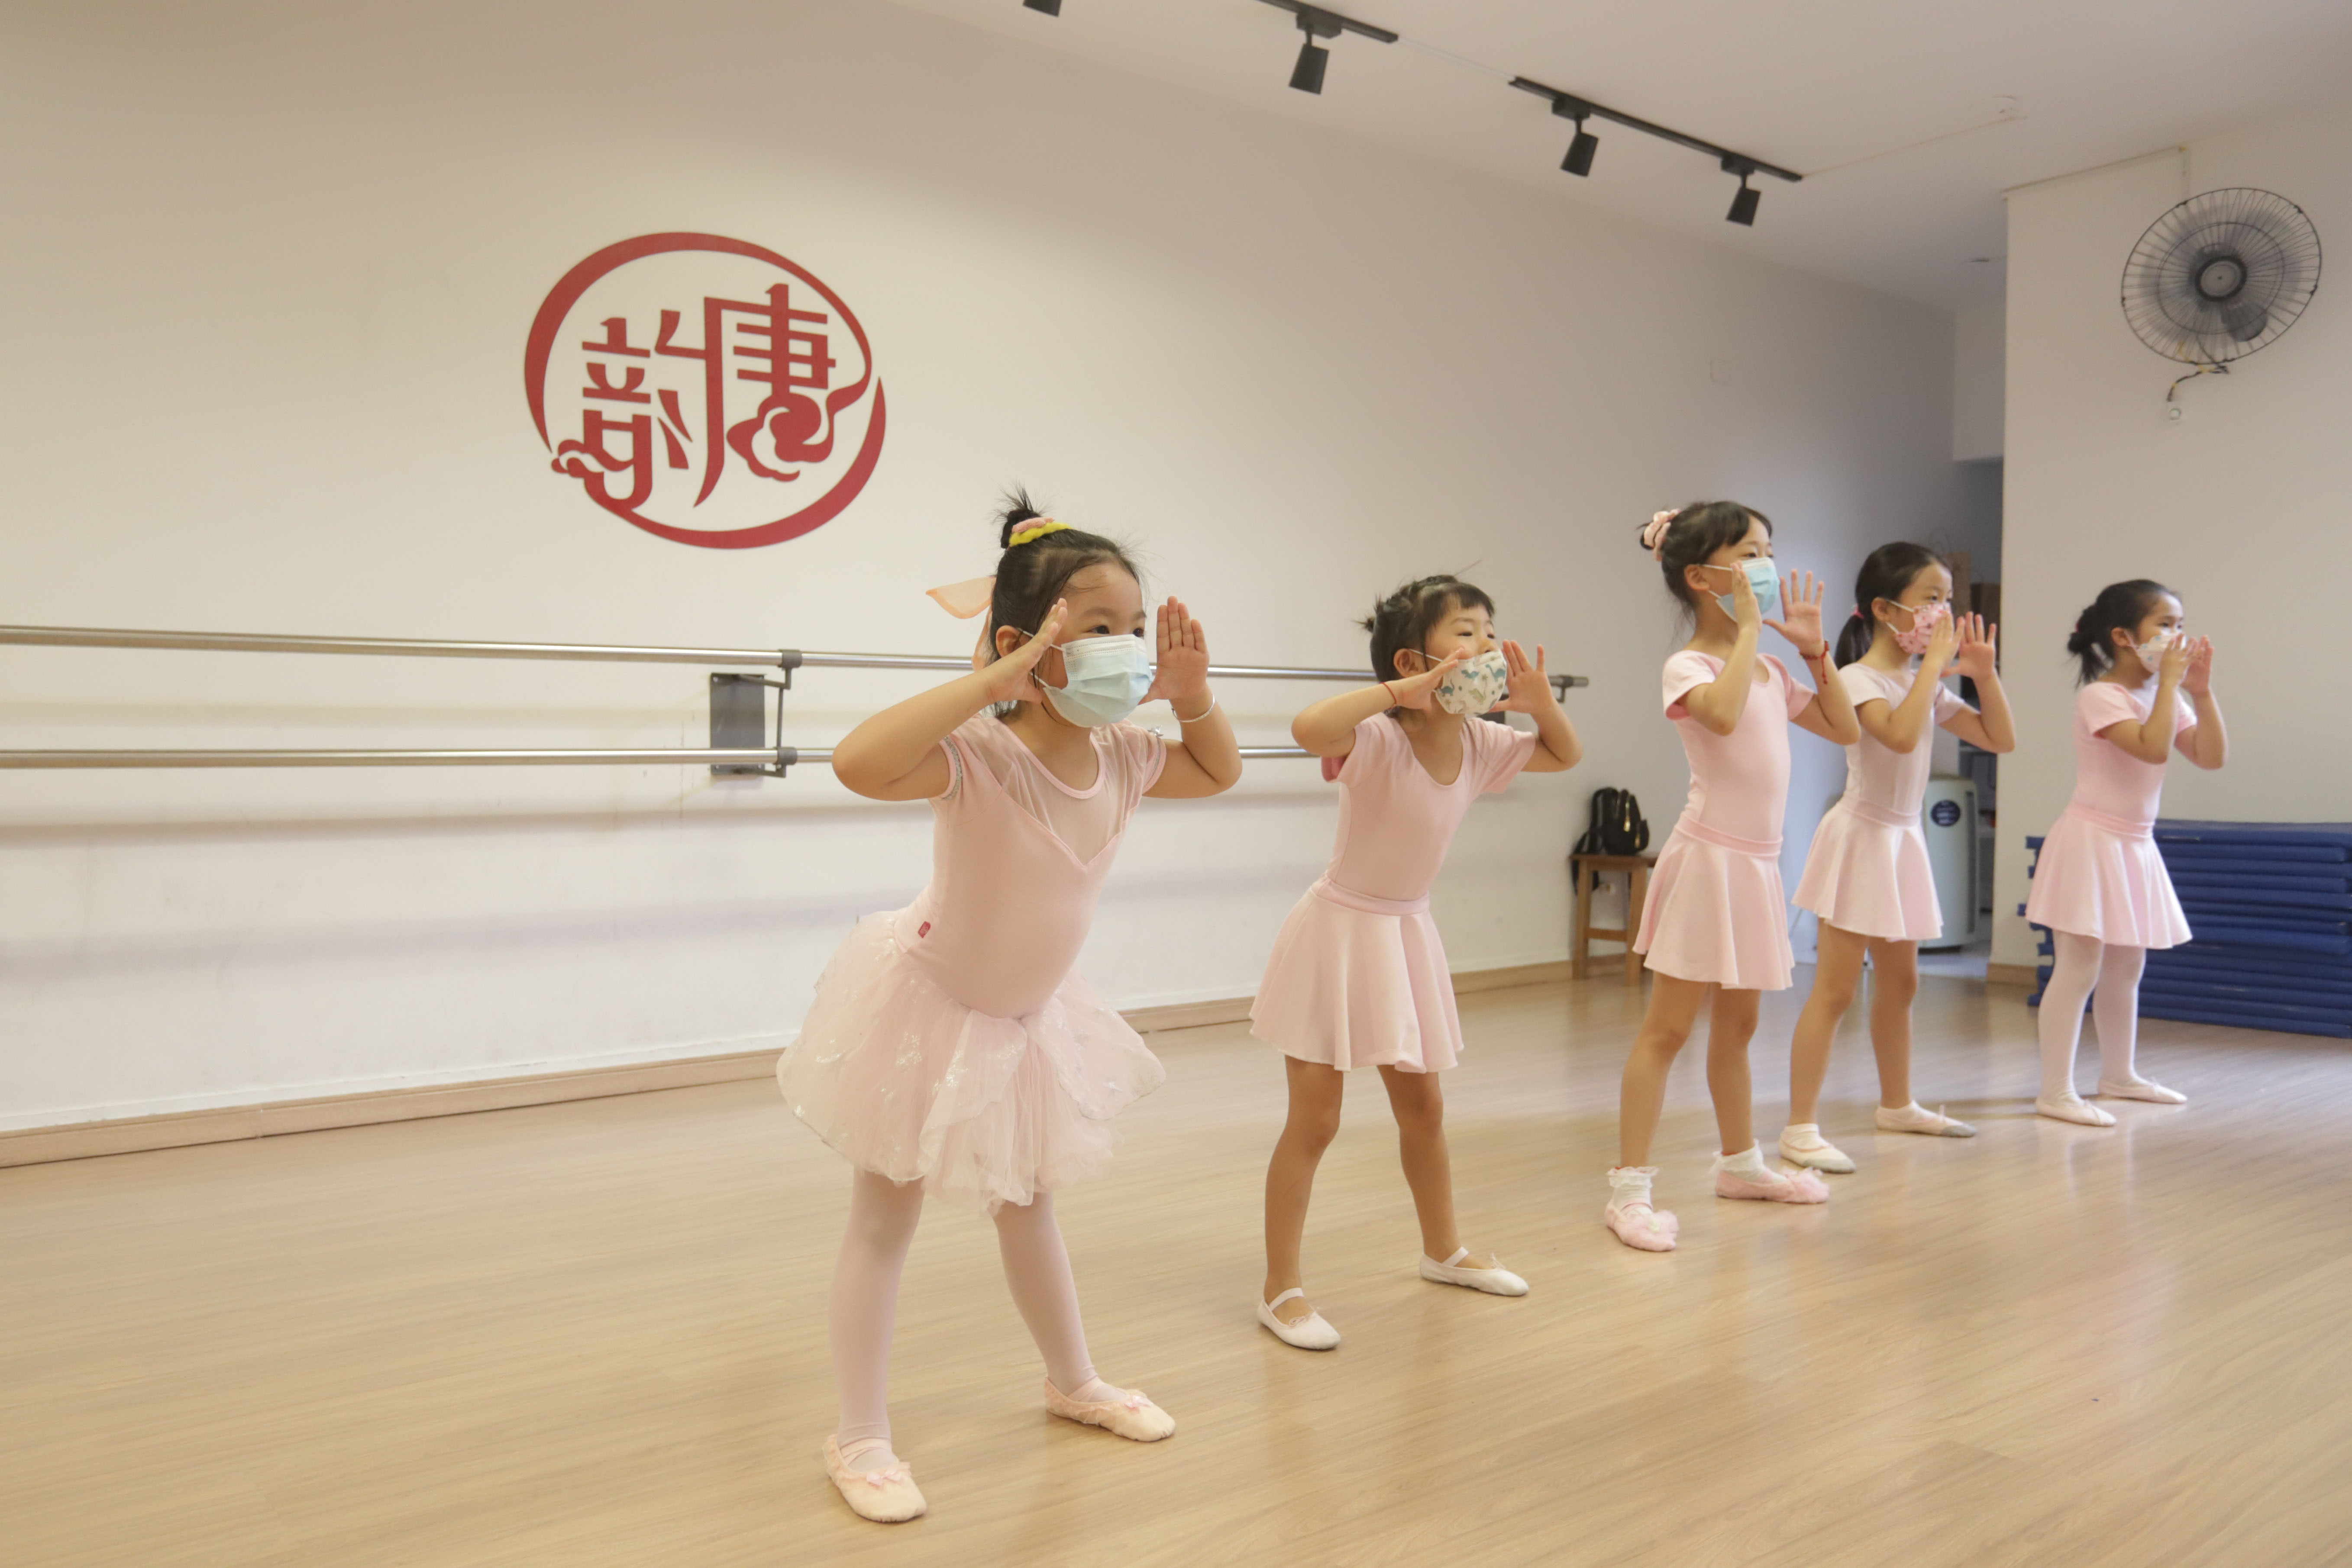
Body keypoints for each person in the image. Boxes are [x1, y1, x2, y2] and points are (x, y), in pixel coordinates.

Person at [777, 495, 1242, 1522]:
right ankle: (858, 1433)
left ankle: (1071, 1378)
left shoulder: (1125, 755)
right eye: (1101, 631)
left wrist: (1195, 693)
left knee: (1030, 1201)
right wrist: (987, 686)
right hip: (932, 1003)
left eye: (1136, 629)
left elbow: (1218, 769)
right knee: (885, 1217)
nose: (1128, 648)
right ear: (1023, 647)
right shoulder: (980, 756)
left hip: (1031, 1019)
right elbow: (860, 762)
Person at [1252, 576, 1581, 1348]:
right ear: (1412, 658)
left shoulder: (1480, 742)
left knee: (1424, 1110)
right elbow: (1309, 728)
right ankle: (1280, 1288)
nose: (1487, 646)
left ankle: (1444, 1250)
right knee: (1316, 1120)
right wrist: (1396, 693)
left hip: (1404, 936)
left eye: (1490, 630)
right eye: (1465, 632)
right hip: (1337, 934)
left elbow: (1564, 755)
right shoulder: (1378, 738)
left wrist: (1539, 702)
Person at [1604, 503, 1860, 1253]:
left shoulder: (1775, 671)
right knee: (1669, 1029)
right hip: (1707, 860)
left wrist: (1814, 656)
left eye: (1768, 551)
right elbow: (1717, 718)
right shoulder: (1688, 665)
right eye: (1749, 553)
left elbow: (1845, 731)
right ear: (1700, 576)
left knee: (1740, 1025)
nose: (1766, 567)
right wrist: (1749, 630)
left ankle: (1740, 1163)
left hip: (1754, 865)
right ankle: (1629, 1188)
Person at [1780, 543, 2016, 1172]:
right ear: (1885, 610)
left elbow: (2001, 739)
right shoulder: (1857, 679)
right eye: (1930, 599)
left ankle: (1897, 1103)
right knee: (1833, 988)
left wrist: (1983, 675)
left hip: (1902, 839)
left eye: (1947, 599)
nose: (1943, 611)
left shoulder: (1920, 685)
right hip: (1860, 836)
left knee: (1903, 983)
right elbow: (1901, 734)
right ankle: (1800, 1124)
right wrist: (1935, 670)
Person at [2025, 580, 2226, 1125]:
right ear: (2121, 637)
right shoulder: (2100, 696)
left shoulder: (2167, 697)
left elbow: (2209, 757)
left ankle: (2118, 1074)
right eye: (2163, 625)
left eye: (2179, 624)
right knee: (2079, 967)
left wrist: (2199, 694)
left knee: (2126, 966)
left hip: (2134, 844)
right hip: (2090, 841)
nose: (2176, 636)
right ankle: (2055, 1089)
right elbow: (2151, 748)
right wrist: (2170, 686)